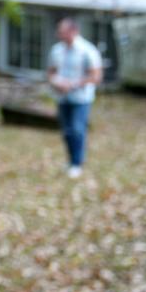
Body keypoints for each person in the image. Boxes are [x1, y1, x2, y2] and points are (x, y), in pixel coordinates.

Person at [47, 18, 103, 179]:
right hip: (62, 97)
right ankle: (71, 160)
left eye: (62, 31)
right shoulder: (56, 50)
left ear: (73, 31)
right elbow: (51, 72)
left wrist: (74, 84)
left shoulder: (87, 51)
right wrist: (56, 82)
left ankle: (77, 163)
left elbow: (96, 76)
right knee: (67, 132)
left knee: (78, 129)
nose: (59, 35)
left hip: (81, 98)